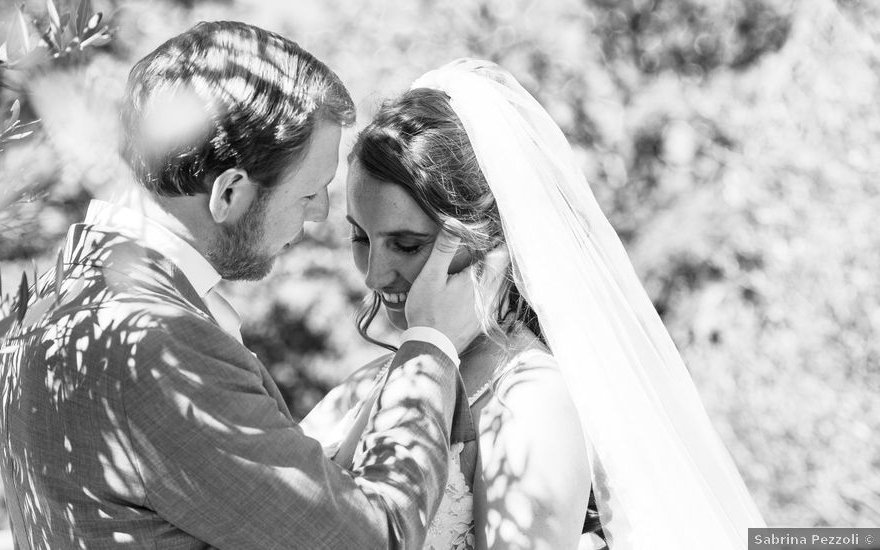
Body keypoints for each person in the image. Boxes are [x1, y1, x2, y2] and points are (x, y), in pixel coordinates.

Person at [0, 23, 504, 550]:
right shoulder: (158, 346)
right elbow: (377, 540)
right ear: (229, 191)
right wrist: (427, 344)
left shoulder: (50, 302)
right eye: (309, 194)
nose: (323, 214)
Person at [302, 60, 766, 549]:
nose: (374, 274)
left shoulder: (528, 398)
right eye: (360, 236)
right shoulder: (371, 381)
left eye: (408, 244)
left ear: (489, 240)